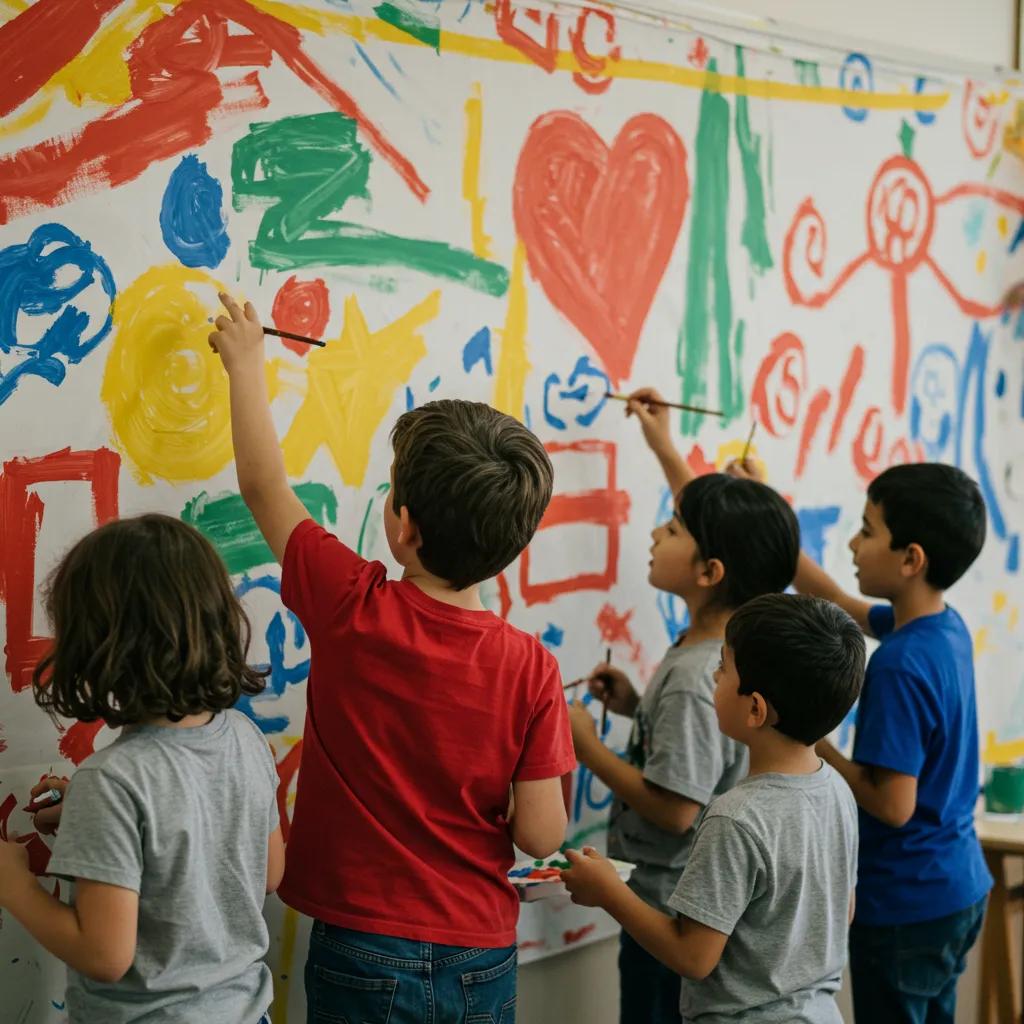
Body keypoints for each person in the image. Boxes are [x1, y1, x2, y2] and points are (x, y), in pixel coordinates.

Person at [208, 293, 575, 1023]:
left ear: (401, 527)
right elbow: (540, 836)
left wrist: (245, 362)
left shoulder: (352, 604)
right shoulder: (530, 665)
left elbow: (264, 487)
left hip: (361, 945)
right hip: (481, 950)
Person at [567, 388, 800, 1023]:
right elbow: (701, 754)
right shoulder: (715, 656)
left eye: (672, 530)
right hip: (677, 903)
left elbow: (675, 808)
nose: (653, 533)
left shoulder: (700, 673)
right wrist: (641, 704)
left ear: (709, 571)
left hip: (667, 911)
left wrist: (587, 747)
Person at [731, 458, 991, 1021]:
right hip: (957, 886)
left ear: (910, 559)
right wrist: (770, 508)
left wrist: (813, 742)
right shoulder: (940, 627)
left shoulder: (898, 664)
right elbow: (835, 601)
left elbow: (894, 806)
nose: (852, 543)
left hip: (905, 901)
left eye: (868, 530)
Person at [0, 514, 282, 1024]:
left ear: (97, 649)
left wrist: (14, 886)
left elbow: (104, 955)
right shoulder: (245, 738)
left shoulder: (113, 782)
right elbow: (269, 873)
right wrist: (94, 824)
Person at [563, 593, 864, 1024]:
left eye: (723, 669)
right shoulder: (836, 790)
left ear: (755, 709)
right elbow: (842, 909)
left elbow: (693, 955)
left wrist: (609, 891)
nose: (714, 678)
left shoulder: (734, 817)